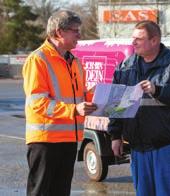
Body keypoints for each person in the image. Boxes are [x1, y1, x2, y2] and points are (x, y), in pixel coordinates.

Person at [108, 20, 170, 196]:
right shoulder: (126, 67)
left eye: (139, 39)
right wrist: (115, 135)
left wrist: (159, 90)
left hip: (165, 147)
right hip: (138, 148)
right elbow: (117, 105)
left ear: (154, 41)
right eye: (133, 38)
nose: (133, 42)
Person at [22, 10, 97, 196]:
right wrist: (74, 110)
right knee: (40, 192)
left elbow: (79, 97)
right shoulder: (37, 60)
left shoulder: (75, 62)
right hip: (45, 141)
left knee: (61, 192)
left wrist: (100, 98)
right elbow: (38, 103)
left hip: (69, 139)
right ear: (59, 32)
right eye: (75, 30)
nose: (79, 35)